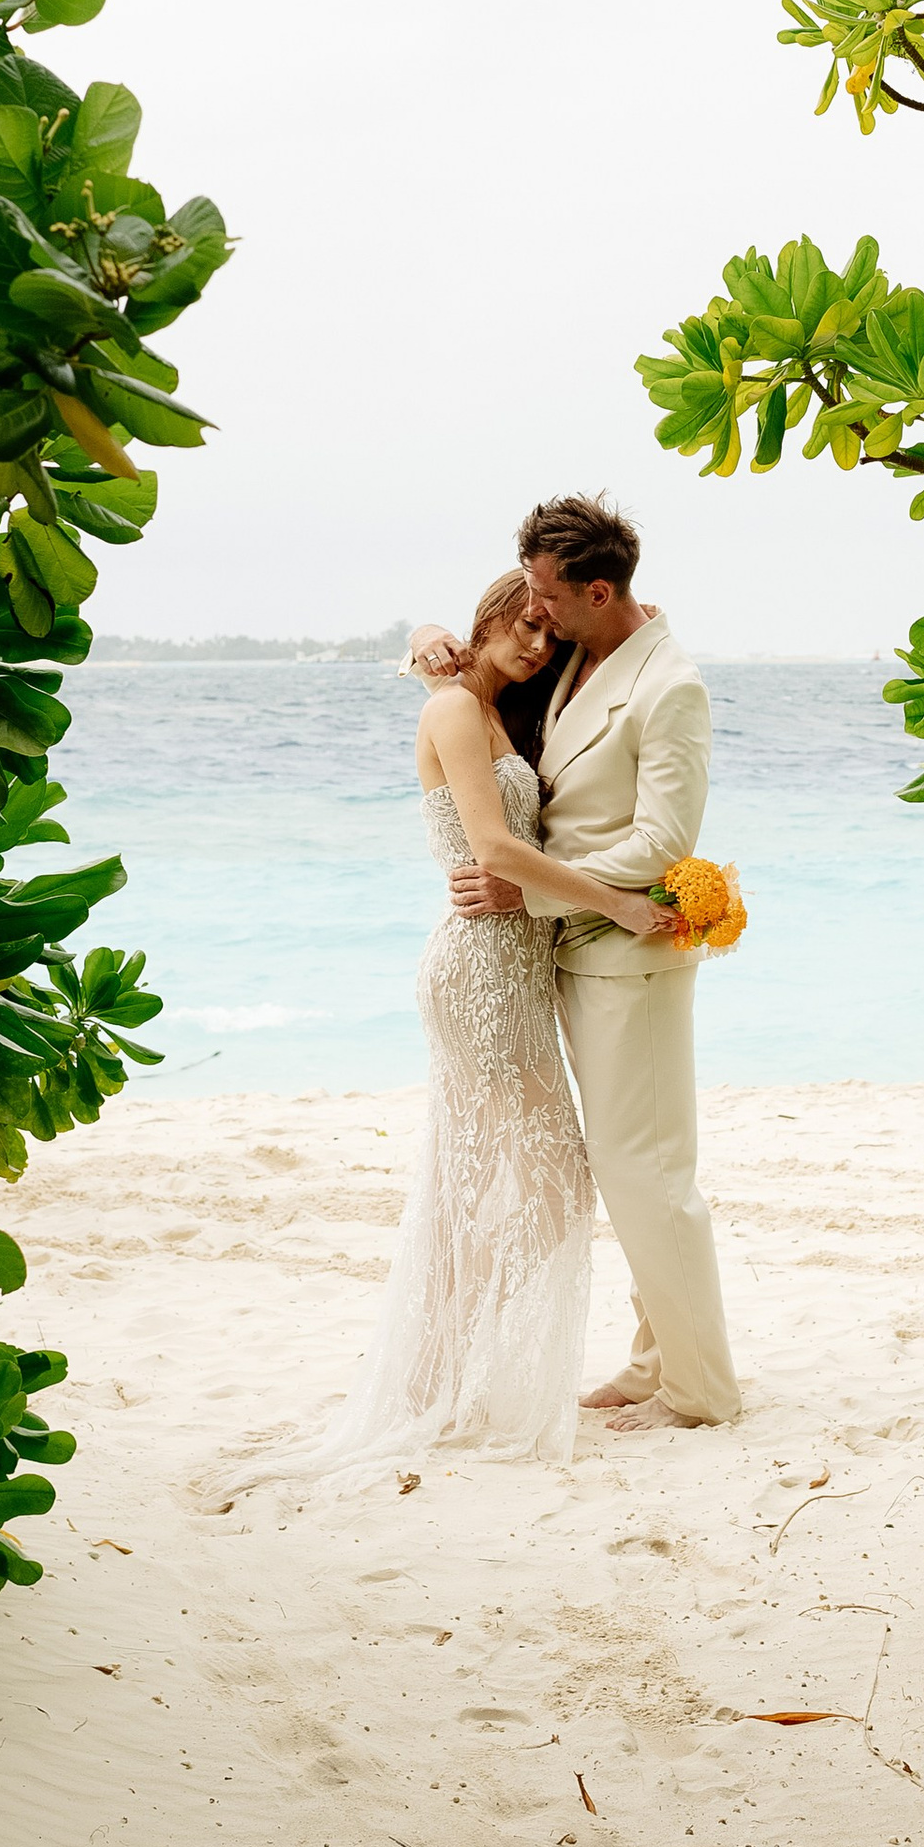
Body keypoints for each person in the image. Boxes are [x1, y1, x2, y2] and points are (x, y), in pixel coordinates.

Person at [248, 568, 673, 1481]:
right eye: (522, 627)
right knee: (543, 1186)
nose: (536, 645)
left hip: (512, 968)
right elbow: (492, 849)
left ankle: (437, 1371)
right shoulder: (451, 710)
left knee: (491, 1189)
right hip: (479, 972)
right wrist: (626, 906)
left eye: (547, 637)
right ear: (486, 620)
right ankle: (438, 1374)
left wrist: (428, 631)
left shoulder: (498, 711)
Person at [415, 494, 742, 1430]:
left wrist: (538, 892)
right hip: (558, 954)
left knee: (645, 1172)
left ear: (598, 590)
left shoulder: (668, 685)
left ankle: (702, 1386)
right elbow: (465, 702)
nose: (536, 613)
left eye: (545, 596)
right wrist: (432, 633)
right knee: (625, 1163)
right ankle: (654, 1358)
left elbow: (663, 839)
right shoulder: (574, 657)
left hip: (626, 955)